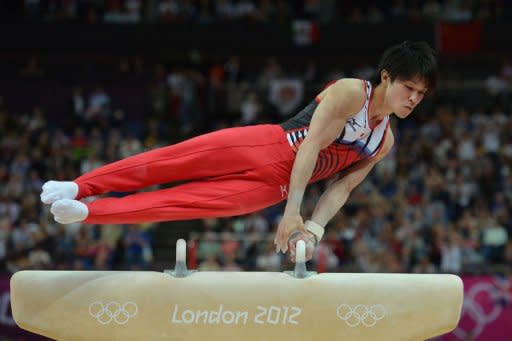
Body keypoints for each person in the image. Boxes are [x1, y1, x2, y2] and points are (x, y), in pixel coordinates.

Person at [41, 41, 437, 262]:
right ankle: (79, 187)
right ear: (386, 76)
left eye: (421, 94)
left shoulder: (383, 141)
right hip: (265, 147)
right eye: (409, 88)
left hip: (269, 190)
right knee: (166, 162)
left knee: (176, 204)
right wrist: (293, 212)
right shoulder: (353, 92)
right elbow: (311, 146)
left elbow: (342, 189)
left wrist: (313, 232)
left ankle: (89, 212)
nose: (414, 99)